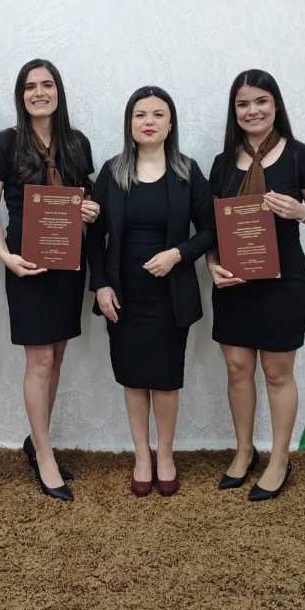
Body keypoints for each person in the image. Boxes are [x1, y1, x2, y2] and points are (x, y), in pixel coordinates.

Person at [208, 69, 305, 501]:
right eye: (243, 104)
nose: (252, 110)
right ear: (234, 111)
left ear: (275, 105)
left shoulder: (299, 156)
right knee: (238, 369)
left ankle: (279, 459)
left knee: (278, 374)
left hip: (284, 283)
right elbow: (212, 225)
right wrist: (212, 264)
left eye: (261, 101)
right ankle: (244, 451)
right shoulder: (223, 163)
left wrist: (299, 211)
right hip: (234, 283)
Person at [88, 86, 214, 498]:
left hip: (170, 295)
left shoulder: (187, 172)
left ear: (170, 123)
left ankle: (165, 455)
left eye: (158, 114)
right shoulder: (112, 171)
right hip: (122, 295)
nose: (149, 121)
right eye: (140, 114)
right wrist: (100, 285)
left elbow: (212, 229)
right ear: (130, 123)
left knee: (165, 380)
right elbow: (94, 234)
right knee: (133, 379)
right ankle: (142, 454)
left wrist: (178, 254)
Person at [0, 59, 98, 503]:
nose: (38, 93)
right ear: (21, 95)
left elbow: (82, 197)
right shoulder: (4, 143)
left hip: (68, 264)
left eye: (46, 84)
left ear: (58, 91)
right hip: (26, 264)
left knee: (59, 353)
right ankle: (45, 455)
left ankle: (38, 441)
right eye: (29, 87)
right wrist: (3, 255)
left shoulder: (76, 143)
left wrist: (90, 210)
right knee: (40, 361)